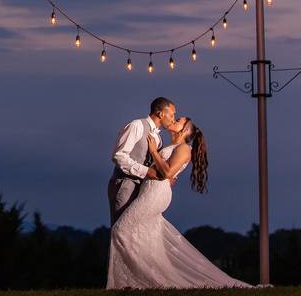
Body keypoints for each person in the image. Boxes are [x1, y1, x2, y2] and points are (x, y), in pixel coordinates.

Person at [106, 116, 252, 289]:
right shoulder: (168, 146)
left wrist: (153, 151)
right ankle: (139, 282)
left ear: (185, 130)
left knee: (121, 229)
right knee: (147, 236)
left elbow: (167, 172)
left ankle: (147, 279)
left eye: (179, 120)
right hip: (149, 190)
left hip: (155, 194)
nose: (174, 120)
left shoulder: (184, 149)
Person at [107, 97, 176, 226]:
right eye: (172, 114)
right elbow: (119, 156)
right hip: (125, 184)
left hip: (143, 191)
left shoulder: (159, 139)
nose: (173, 119)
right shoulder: (136, 125)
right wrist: (147, 171)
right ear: (160, 114)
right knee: (120, 229)